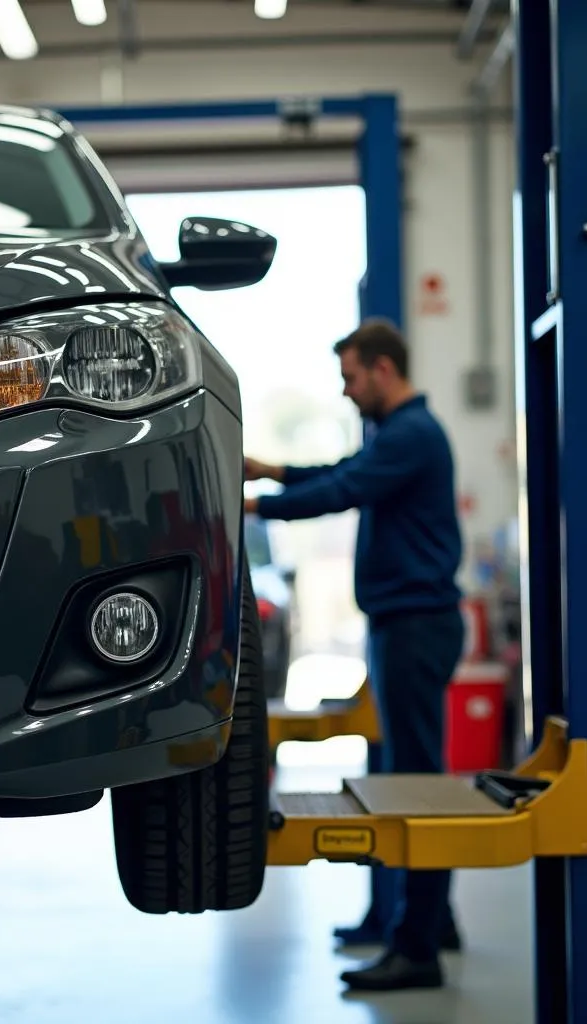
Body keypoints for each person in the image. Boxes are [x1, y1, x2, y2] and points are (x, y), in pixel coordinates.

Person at [245, 317, 466, 992]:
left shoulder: (411, 436)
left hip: (415, 625)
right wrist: (271, 470)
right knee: (398, 768)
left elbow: (341, 490)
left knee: (417, 782)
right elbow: (342, 471)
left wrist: (254, 505)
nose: (345, 392)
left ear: (382, 369)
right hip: (402, 624)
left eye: (349, 378)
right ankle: (418, 918)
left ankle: (417, 947)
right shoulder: (397, 437)